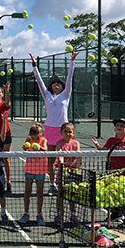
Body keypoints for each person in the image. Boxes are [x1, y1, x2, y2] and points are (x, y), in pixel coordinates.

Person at [29, 51, 78, 195]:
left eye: (59, 83)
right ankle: (52, 184)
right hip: (50, 130)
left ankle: (63, 182)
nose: (56, 85)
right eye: (54, 83)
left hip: (64, 130)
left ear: (62, 87)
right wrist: (34, 65)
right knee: (50, 160)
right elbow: (39, 80)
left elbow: (69, 79)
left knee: (64, 160)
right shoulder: (46, 95)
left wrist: (72, 61)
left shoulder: (66, 94)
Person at [92, 118, 125, 225]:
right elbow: (104, 150)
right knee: (113, 194)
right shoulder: (111, 140)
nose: (119, 127)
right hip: (113, 172)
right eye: (117, 125)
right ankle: (116, 213)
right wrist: (98, 146)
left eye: (122, 126)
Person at [18, 123, 49, 226]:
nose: (34, 136)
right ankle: (26, 213)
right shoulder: (28, 140)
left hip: (40, 170)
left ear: (41, 133)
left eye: (37, 133)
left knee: (40, 193)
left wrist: (39, 147)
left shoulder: (43, 140)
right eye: (33, 133)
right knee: (27, 192)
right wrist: (25, 147)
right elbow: (24, 148)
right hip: (29, 169)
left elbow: (45, 150)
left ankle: (39, 214)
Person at [55, 122, 81, 223]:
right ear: (61, 132)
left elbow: (77, 156)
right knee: (60, 194)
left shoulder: (76, 143)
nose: (68, 134)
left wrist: (72, 166)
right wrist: (62, 164)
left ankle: (73, 214)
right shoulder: (59, 143)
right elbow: (60, 155)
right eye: (65, 132)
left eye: (70, 132)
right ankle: (59, 214)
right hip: (62, 172)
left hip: (73, 173)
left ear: (73, 133)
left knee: (72, 194)